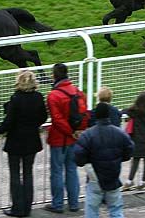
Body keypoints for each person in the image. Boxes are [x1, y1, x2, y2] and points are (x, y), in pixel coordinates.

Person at [0, 70, 48, 217]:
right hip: (32, 140)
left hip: (16, 141)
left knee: (15, 174)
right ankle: (27, 207)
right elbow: (43, 117)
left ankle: (17, 207)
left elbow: (8, 122)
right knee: (28, 173)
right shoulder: (38, 97)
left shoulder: (15, 99)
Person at [74, 103, 134, 218]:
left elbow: (78, 155)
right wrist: (120, 158)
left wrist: (85, 162)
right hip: (113, 175)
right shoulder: (119, 133)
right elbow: (129, 149)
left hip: (94, 177)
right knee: (116, 209)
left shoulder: (88, 135)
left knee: (92, 210)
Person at [44, 63, 88, 213]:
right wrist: (79, 131)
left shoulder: (53, 95)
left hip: (59, 139)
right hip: (75, 138)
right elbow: (84, 113)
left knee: (56, 171)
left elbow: (57, 119)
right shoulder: (78, 92)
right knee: (71, 170)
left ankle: (57, 204)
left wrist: (70, 132)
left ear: (54, 75)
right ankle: (74, 204)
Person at [121, 91, 145, 191]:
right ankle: (143, 182)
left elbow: (124, 111)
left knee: (135, 160)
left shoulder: (134, 111)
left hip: (137, 140)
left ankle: (130, 181)